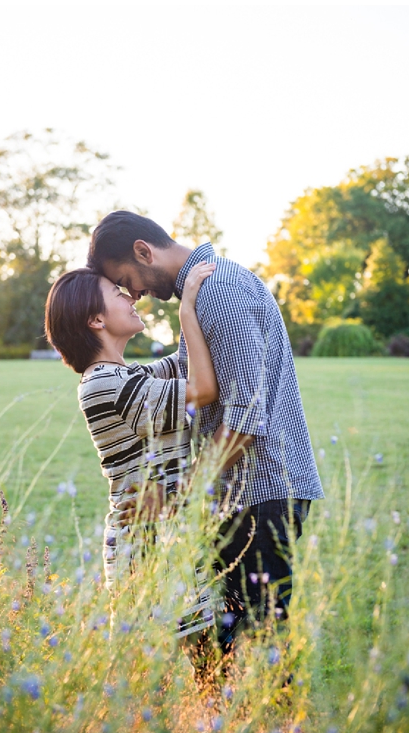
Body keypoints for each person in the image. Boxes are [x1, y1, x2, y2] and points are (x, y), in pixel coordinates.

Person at [85, 210, 324, 654]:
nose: (134, 293)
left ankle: (277, 726)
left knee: (258, 652)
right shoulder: (201, 293)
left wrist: (179, 495)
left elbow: (245, 421)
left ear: (143, 251)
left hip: (262, 490)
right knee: (228, 653)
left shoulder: (219, 290)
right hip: (236, 494)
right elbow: (194, 383)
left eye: (127, 279)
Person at [45, 263, 219, 640]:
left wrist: (199, 299)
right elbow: (202, 388)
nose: (130, 296)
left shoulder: (128, 377)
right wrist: (185, 309)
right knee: (143, 683)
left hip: (167, 538)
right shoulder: (106, 384)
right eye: (117, 293)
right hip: (145, 547)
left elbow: (184, 363)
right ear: (95, 319)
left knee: (206, 671)